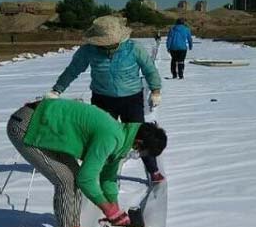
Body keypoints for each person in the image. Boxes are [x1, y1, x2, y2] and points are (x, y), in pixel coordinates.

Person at [6, 98, 167, 227]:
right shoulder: (111, 136)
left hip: (45, 126)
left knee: (73, 177)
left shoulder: (124, 137)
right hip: (27, 126)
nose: (139, 156)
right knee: (65, 180)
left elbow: (108, 177)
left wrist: (115, 209)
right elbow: (86, 178)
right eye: (142, 153)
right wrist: (109, 210)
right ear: (139, 143)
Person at [46, 16, 166, 184]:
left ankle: (153, 169)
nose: (107, 47)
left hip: (131, 99)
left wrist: (156, 90)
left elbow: (149, 70)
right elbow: (72, 70)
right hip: (102, 99)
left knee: (141, 135)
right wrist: (56, 90)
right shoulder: (88, 50)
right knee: (101, 136)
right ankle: (100, 171)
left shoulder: (133, 48)